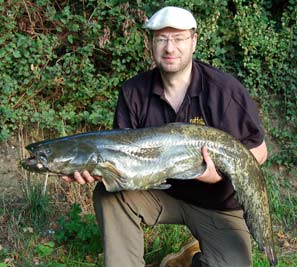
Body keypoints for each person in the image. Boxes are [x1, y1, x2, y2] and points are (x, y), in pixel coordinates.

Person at [62, 6, 268, 267]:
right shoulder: (133, 91)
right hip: (159, 194)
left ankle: (189, 258)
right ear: (151, 43)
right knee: (108, 195)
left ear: (193, 41)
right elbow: (121, 161)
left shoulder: (225, 91)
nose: (170, 48)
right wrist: (93, 168)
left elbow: (259, 151)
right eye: (161, 38)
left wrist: (219, 174)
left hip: (217, 203)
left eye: (179, 38)